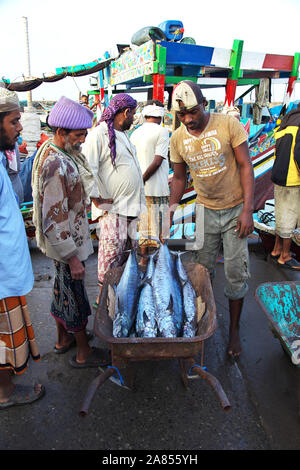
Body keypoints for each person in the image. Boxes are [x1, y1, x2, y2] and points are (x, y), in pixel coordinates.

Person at [166, 80, 254, 358]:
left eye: (193, 111)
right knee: (202, 271)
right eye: (182, 115)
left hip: (234, 210)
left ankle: (234, 332)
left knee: (235, 273)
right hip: (204, 210)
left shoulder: (228, 125)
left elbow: (245, 166)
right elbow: (179, 178)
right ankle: (202, 321)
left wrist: (247, 210)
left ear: (205, 104)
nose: (189, 119)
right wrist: (168, 213)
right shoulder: (177, 139)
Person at [32, 96, 110, 368]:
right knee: (74, 296)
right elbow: (54, 218)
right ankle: (82, 352)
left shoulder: (61, 153)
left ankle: (62, 340)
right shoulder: (56, 164)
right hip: (67, 246)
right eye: (78, 135)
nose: (82, 140)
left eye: (85, 134)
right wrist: (73, 257)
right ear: (61, 133)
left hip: (65, 243)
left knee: (61, 291)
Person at [0, 87, 44, 408]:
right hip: (2, 276)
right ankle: (4, 393)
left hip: (8, 270)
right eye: (14, 121)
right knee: (3, 339)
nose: (20, 127)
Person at [81, 93, 146, 307]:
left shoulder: (123, 135)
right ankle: (103, 303)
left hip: (131, 209)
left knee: (128, 260)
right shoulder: (98, 134)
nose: (134, 118)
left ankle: (119, 303)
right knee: (109, 260)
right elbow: (87, 169)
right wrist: (96, 199)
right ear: (125, 113)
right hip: (113, 210)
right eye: (133, 114)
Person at [130, 100, 170, 264]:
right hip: (157, 188)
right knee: (160, 230)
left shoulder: (134, 133)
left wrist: (138, 182)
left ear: (145, 115)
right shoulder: (162, 132)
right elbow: (158, 160)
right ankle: (161, 264)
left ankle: (143, 262)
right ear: (160, 116)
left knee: (144, 229)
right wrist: (143, 179)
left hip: (140, 191)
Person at [270, 103, 300, 270]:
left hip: (278, 174)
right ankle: (285, 256)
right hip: (292, 177)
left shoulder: (287, 120)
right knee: (289, 217)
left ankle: (276, 249)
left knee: (281, 215)